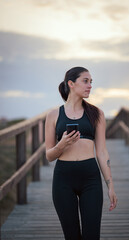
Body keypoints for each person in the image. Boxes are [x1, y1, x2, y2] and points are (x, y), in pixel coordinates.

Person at [45, 66, 117, 240]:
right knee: (72, 237)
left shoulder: (96, 113)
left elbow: (102, 152)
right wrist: (61, 145)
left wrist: (110, 186)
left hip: (90, 178)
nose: (90, 85)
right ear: (71, 83)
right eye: (85, 81)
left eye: (91, 82)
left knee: (92, 236)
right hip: (63, 180)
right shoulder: (54, 115)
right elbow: (49, 155)